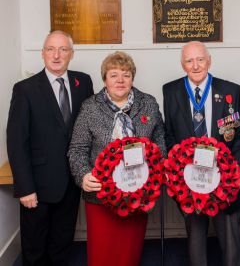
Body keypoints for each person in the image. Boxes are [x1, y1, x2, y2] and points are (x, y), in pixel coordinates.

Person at [67, 51, 166, 266]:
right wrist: (83, 174)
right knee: (102, 251)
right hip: (100, 196)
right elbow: (77, 148)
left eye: (126, 74)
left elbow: (160, 143)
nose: (120, 80)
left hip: (138, 193)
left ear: (132, 78)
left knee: (129, 251)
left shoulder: (148, 103)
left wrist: (157, 172)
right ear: (105, 79)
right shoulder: (90, 107)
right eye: (113, 75)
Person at [6, 30, 94, 265]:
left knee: (62, 244)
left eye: (63, 49)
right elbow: (16, 141)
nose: (56, 55)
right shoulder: (25, 89)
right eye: (51, 49)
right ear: (42, 54)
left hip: (71, 182)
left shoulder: (83, 82)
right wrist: (24, 188)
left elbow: (90, 128)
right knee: (35, 248)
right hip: (37, 185)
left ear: (71, 54)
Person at [163, 41, 240, 266]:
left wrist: (237, 169)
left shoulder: (230, 90)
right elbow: (170, 135)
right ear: (183, 64)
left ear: (209, 60)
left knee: (230, 244)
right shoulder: (170, 90)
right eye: (189, 60)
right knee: (196, 241)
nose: (196, 65)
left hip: (224, 179)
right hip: (190, 181)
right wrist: (177, 169)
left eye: (200, 59)